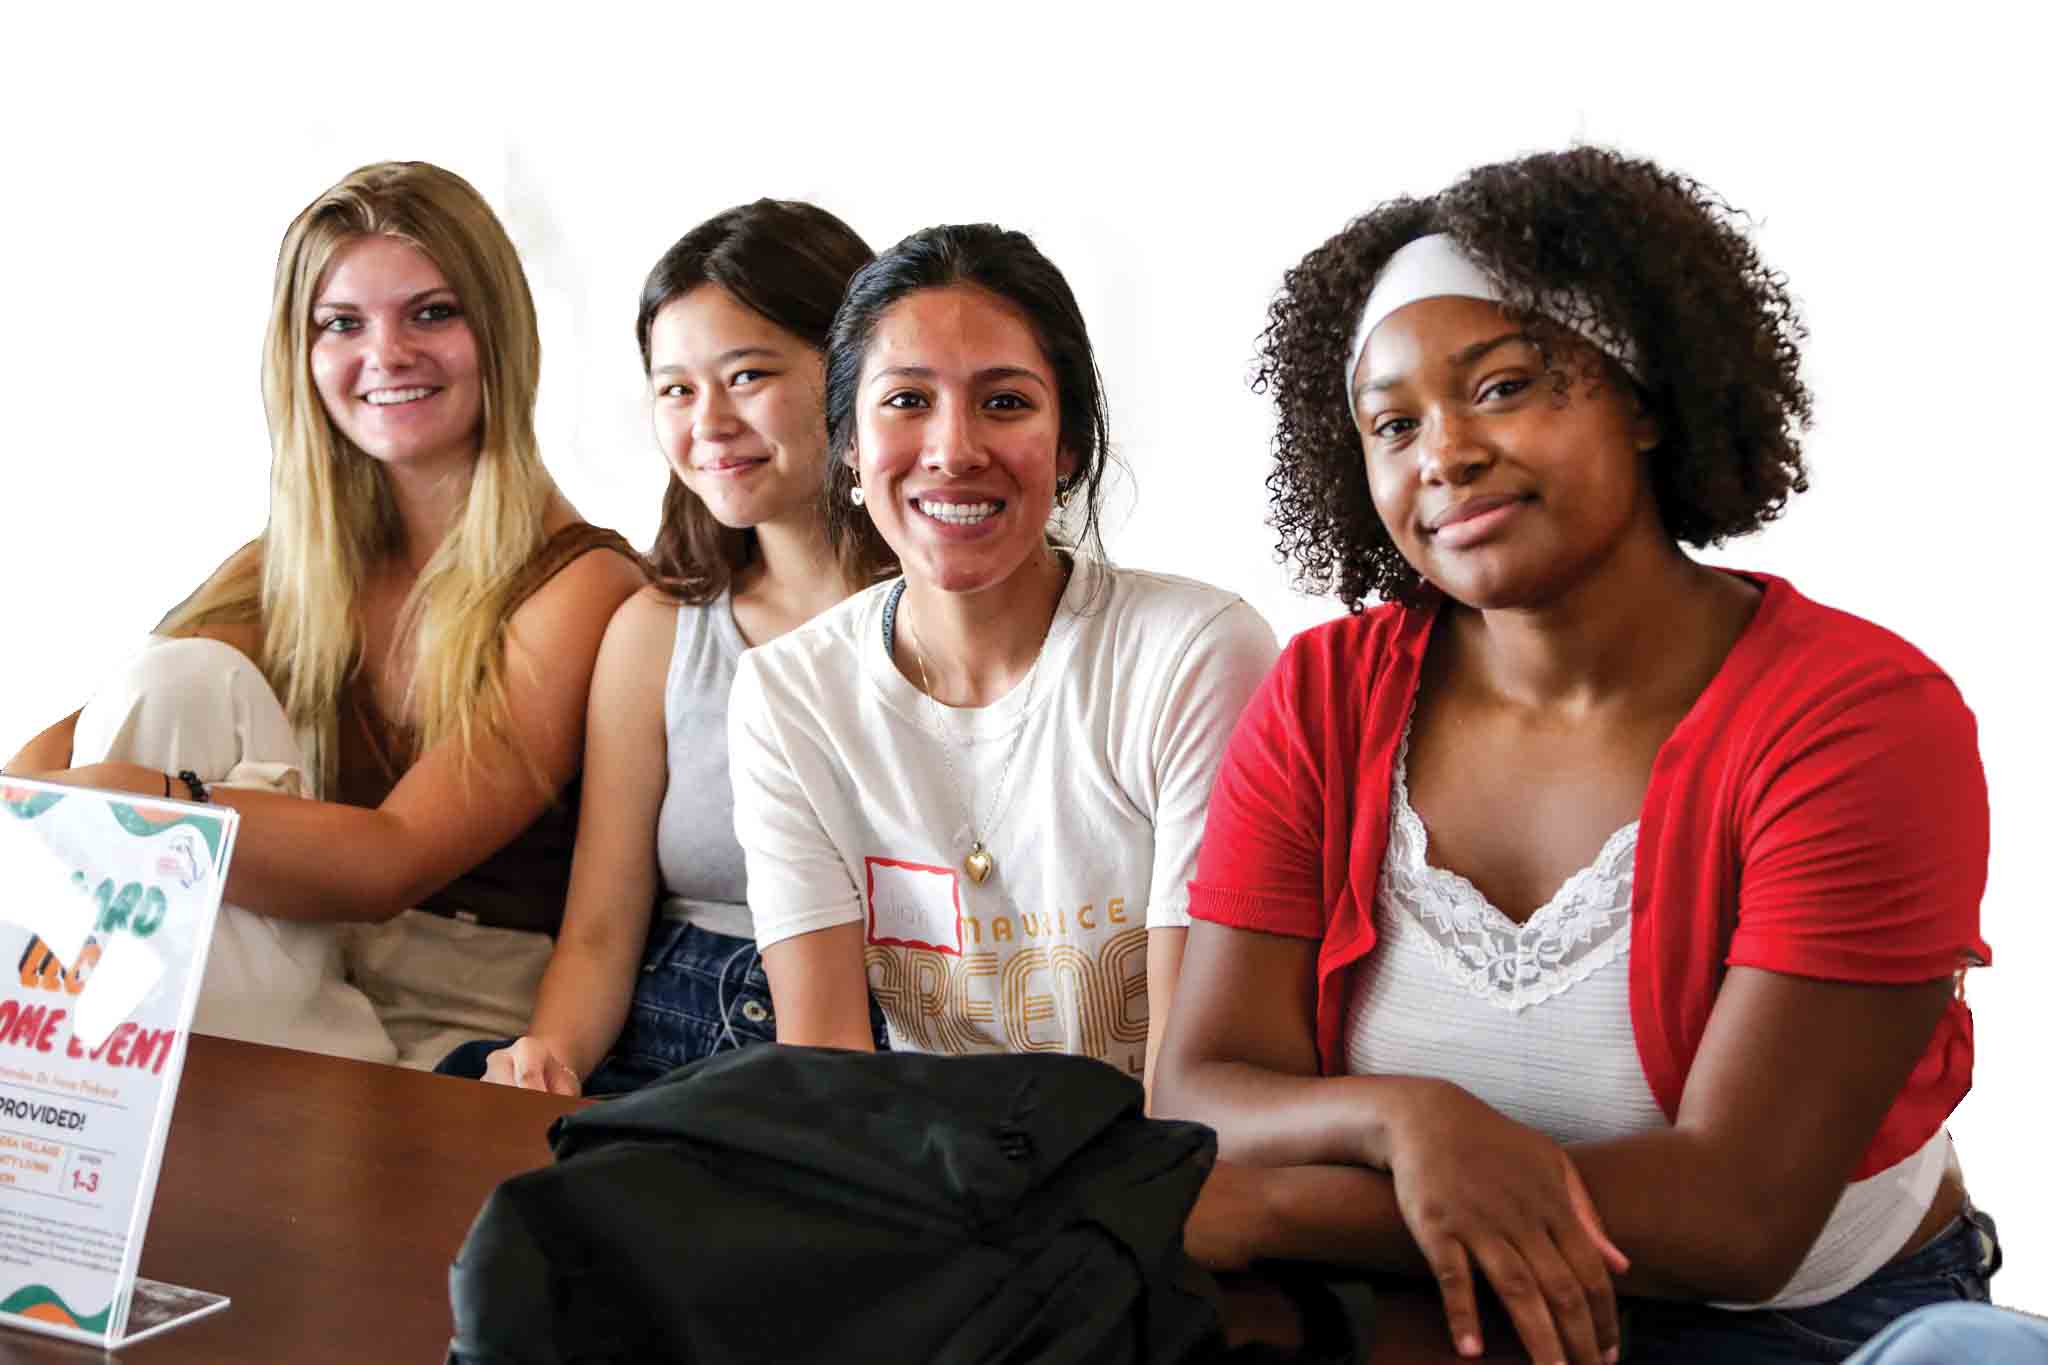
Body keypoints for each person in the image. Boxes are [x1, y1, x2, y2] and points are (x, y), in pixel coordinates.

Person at [1152, 147, 1995, 1365]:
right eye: (1393, 424)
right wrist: (1410, 1123)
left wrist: (1281, 1204)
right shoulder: (1327, 694)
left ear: (1643, 399)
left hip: (1794, 1326)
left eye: (1500, 388)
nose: (1441, 452)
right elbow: (1204, 1088)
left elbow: (1731, 1221)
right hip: (1432, 1297)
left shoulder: (1857, 716)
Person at [2, 161, 644, 1067]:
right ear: (301, 356)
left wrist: (149, 808)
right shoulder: (298, 561)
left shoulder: (581, 582)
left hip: (457, 1016)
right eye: (342, 323)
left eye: (432, 312)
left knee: (129, 900)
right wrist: (61, 814)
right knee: (179, 680)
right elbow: (65, 757)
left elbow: (390, 863)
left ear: (498, 330)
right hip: (308, 972)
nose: (386, 354)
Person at [728, 223, 1278, 1088]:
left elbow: (1189, 1087)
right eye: (908, 401)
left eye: (1005, 402)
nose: (954, 450)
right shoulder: (788, 695)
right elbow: (828, 1070)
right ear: (848, 444)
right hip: (926, 1181)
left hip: (1157, 1187)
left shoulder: (1194, 655)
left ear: (1068, 448)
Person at [456, 200, 894, 1096]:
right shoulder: (655, 632)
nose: (709, 422)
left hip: (886, 1061)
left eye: (747, 375)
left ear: (852, 370)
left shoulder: (956, 614)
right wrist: (552, 1055)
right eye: (676, 388)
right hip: (670, 1053)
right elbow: (600, 934)